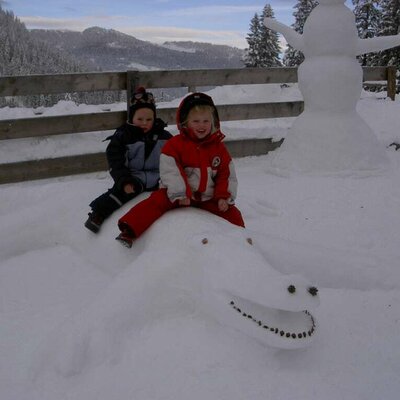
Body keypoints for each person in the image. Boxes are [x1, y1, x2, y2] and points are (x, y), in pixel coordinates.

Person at [115, 92, 245, 248]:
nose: (201, 125)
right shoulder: (175, 144)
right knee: (156, 201)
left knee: (233, 214)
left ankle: (243, 239)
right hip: (178, 194)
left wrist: (223, 197)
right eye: (196, 121)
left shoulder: (219, 148)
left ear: (213, 122)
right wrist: (180, 193)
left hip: (208, 197)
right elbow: (170, 170)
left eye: (206, 121)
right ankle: (129, 230)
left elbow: (226, 174)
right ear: (185, 122)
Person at [84, 87, 172, 233]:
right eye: (140, 119)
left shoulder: (164, 137)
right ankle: (98, 214)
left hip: (159, 178)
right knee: (118, 194)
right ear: (131, 118)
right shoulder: (123, 136)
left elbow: (175, 156)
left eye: (149, 119)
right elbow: (116, 161)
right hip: (133, 177)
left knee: (174, 193)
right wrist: (124, 180)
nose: (144, 123)